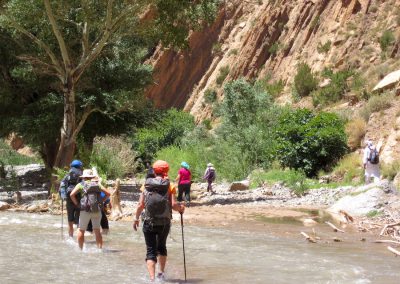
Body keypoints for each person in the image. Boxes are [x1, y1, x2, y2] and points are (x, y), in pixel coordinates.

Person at [133, 160, 185, 282]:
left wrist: (136, 219)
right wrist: (181, 209)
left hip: (148, 222)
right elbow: (173, 205)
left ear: (154, 170)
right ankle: (161, 274)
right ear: (166, 171)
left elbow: (140, 205)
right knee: (162, 247)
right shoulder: (170, 185)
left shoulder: (146, 184)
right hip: (164, 223)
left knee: (151, 251)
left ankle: (152, 280)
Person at [70, 169, 110, 250]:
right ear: (91, 177)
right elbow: (108, 194)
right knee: (97, 231)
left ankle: (80, 250)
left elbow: (71, 195)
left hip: (85, 210)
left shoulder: (81, 184)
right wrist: (101, 201)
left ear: (84, 177)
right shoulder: (97, 184)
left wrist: (77, 204)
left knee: (81, 230)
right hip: (97, 210)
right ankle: (100, 250)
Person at [59, 159, 83, 237]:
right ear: (79, 166)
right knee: (79, 222)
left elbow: (61, 186)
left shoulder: (67, 175)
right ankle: (80, 241)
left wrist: (63, 197)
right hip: (78, 199)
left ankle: (71, 238)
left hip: (69, 200)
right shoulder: (81, 175)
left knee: (70, 222)